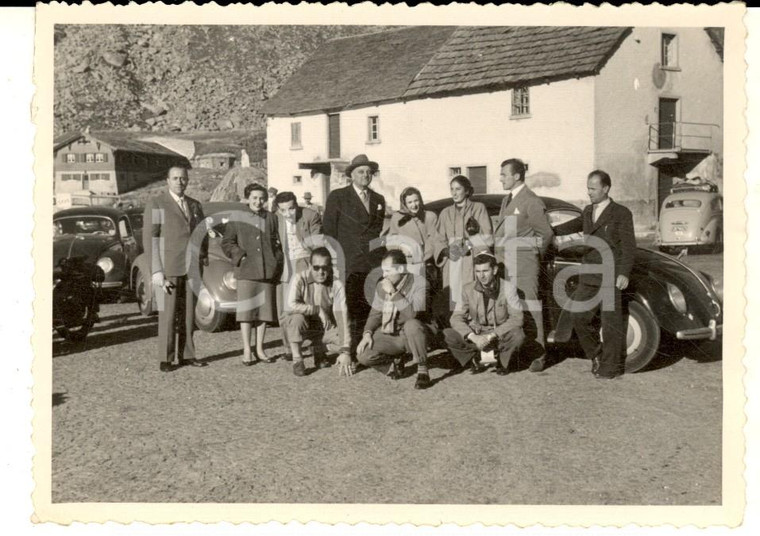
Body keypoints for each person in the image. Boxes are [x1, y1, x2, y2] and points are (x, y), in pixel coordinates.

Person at [143, 165, 208, 372]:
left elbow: (201, 233)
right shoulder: (157, 204)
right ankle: (166, 358)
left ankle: (187, 354)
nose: (180, 182)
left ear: (188, 181)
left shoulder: (195, 205)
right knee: (168, 315)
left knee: (189, 315)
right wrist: (156, 271)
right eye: (175, 178)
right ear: (167, 180)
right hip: (168, 269)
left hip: (191, 268)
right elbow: (151, 238)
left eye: (183, 178)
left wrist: (203, 256)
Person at [571, 170, 636, 379]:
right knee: (578, 316)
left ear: (606, 188)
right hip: (589, 274)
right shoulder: (588, 211)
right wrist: (551, 230)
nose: (588, 192)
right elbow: (573, 225)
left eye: (592, 188)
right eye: (588, 188)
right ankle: (596, 354)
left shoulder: (621, 213)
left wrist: (624, 273)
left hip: (611, 274)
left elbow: (629, 246)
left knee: (611, 325)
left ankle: (610, 368)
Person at [323, 154, 386, 357]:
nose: (365, 175)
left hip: (371, 264)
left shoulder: (378, 199)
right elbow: (329, 233)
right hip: (348, 263)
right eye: (360, 172)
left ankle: (365, 350)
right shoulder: (338, 197)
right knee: (348, 308)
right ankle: (346, 349)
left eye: (369, 172)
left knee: (369, 307)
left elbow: (376, 233)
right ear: (351, 175)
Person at [495, 158, 554, 372]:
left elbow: (546, 234)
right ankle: (521, 352)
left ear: (517, 176)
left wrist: (531, 254)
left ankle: (540, 355)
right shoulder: (507, 200)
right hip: (506, 264)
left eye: (504, 174)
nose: (500, 178)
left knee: (531, 307)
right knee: (514, 307)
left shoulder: (531, 200)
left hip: (524, 264)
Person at [222, 183, 283, 365]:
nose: (258, 201)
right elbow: (227, 243)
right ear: (247, 199)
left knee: (264, 313)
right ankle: (247, 349)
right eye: (254, 198)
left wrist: (275, 259)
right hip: (246, 271)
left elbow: (277, 242)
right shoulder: (237, 217)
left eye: (262, 198)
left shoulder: (271, 218)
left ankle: (260, 349)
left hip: (266, 271)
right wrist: (239, 256)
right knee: (246, 313)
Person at [356, 250, 431, 390]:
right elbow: (375, 314)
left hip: (415, 335)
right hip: (393, 335)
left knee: (412, 325)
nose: (384, 275)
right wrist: (367, 333)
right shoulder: (382, 285)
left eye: (388, 271)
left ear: (401, 269)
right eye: (383, 271)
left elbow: (412, 315)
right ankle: (394, 363)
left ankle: (422, 369)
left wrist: (393, 293)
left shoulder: (420, 283)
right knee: (363, 354)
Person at [444, 253, 524, 375]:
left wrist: (492, 335)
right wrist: (473, 337)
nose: (481, 276)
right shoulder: (467, 289)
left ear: (495, 270)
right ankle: (474, 357)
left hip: (498, 335)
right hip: (476, 335)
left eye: (485, 271)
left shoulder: (508, 288)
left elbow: (517, 318)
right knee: (447, 334)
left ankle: (502, 360)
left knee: (518, 335)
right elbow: (456, 318)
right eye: (478, 271)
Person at [281, 247, 352, 377]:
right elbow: (290, 305)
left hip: (324, 327)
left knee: (350, 343)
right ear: (309, 265)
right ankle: (297, 359)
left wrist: (346, 351)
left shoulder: (336, 284)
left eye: (325, 268)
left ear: (330, 267)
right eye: (316, 267)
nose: (321, 272)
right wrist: (317, 309)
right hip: (303, 325)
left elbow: (342, 315)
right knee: (296, 319)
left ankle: (318, 349)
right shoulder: (299, 279)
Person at [273, 190, 324, 362]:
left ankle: (318, 349)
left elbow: (317, 243)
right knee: (285, 310)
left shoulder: (310, 215)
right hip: (285, 266)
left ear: (297, 205)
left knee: (312, 307)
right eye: (284, 210)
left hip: (306, 263)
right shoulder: (275, 218)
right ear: (279, 209)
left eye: (291, 209)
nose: (288, 214)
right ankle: (290, 348)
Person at [434, 175, 493, 319]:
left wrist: (467, 244)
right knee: (453, 303)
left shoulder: (478, 209)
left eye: (458, 189)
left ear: (467, 191)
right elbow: (438, 239)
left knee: (472, 299)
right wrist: (445, 251)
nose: (454, 193)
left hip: (471, 262)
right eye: (452, 189)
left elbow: (488, 237)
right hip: (452, 264)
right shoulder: (445, 213)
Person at [382, 187, 441, 310]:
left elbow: (434, 240)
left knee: (428, 295)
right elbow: (392, 240)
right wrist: (403, 251)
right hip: (407, 264)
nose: (414, 205)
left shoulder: (429, 216)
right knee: (409, 295)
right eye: (410, 202)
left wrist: (422, 257)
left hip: (427, 262)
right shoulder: (397, 218)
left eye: (416, 200)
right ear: (404, 203)